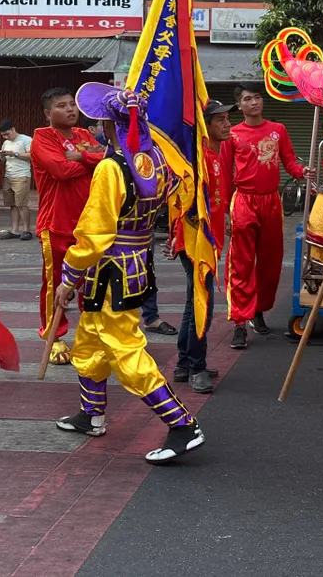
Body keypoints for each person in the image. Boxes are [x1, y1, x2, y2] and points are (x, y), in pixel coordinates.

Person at [54, 84, 204, 464]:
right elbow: (176, 193)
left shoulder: (111, 167)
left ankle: (182, 424)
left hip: (109, 270)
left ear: (110, 126)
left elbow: (94, 232)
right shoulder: (153, 157)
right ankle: (91, 414)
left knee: (125, 351)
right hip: (135, 262)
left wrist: (69, 277)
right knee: (89, 341)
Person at [222, 82, 305, 349]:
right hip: (244, 201)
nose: (254, 102)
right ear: (240, 105)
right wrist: (225, 211)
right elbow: (224, 177)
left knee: (270, 263)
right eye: (248, 99)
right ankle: (238, 323)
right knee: (241, 264)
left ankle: (257, 311)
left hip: (271, 201)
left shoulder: (277, 130)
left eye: (258, 97)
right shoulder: (232, 135)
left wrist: (304, 173)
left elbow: (289, 162)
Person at [31, 87, 105, 365]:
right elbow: (60, 171)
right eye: (62, 106)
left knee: (93, 283)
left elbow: (108, 157)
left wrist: (84, 158)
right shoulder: (42, 138)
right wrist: (91, 162)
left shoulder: (85, 136)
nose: (71, 109)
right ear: (49, 113)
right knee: (55, 284)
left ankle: (90, 333)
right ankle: (54, 335)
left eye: (72, 104)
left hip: (88, 224)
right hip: (56, 224)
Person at [170, 99, 233, 393]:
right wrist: (179, 236)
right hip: (197, 242)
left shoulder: (216, 155)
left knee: (192, 303)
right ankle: (196, 367)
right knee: (201, 305)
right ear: (205, 125)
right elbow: (183, 201)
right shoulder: (198, 159)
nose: (227, 124)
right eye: (220, 119)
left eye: (226, 119)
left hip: (209, 241)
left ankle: (184, 363)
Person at [0, 119, 33, 240]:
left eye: (7, 133)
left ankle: (27, 230)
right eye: (3, 135)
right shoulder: (6, 143)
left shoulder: (26, 140)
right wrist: (2, 156)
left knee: (21, 204)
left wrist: (15, 154)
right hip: (8, 176)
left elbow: (32, 155)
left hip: (22, 175)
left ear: (13, 129)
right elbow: (4, 161)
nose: (6, 137)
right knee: (12, 205)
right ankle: (15, 230)